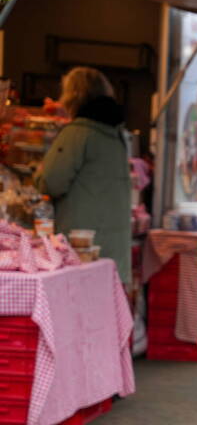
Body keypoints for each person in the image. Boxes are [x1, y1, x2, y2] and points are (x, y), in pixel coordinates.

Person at [35, 67, 132, 284]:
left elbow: (50, 183)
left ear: (73, 95)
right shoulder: (117, 135)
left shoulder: (77, 133)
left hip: (81, 247)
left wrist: (38, 173)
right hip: (113, 249)